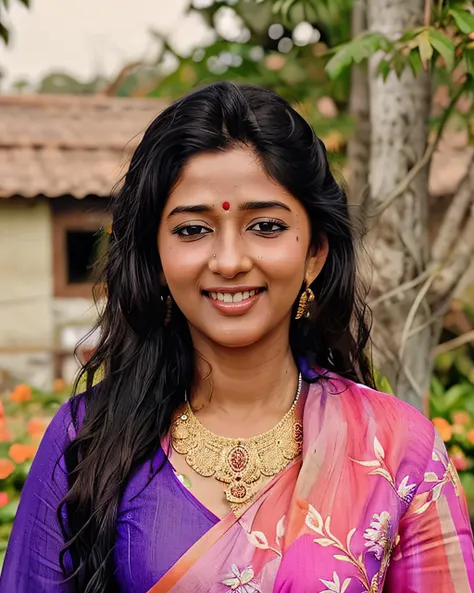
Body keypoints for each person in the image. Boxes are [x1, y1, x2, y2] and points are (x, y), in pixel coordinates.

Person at [1, 82, 473, 593]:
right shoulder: (88, 443)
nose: (229, 261)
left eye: (266, 226)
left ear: (315, 252)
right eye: (192, 230)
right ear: (155, 257)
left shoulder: (397, 447)